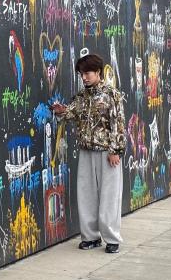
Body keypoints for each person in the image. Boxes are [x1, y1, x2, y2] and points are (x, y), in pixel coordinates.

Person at [53, 53, 126, 253]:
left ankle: (111, 238)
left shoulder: (112, 94)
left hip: (107, 153)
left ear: (98, 72)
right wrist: (60, 111)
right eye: (81, 74)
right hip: (86, 150)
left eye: (88, 73)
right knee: (86, 195)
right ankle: (91, 237)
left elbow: (118, 124)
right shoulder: (80, 97)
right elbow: (70, 113)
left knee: (110, 195)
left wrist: (115, 150)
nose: (84, 77)